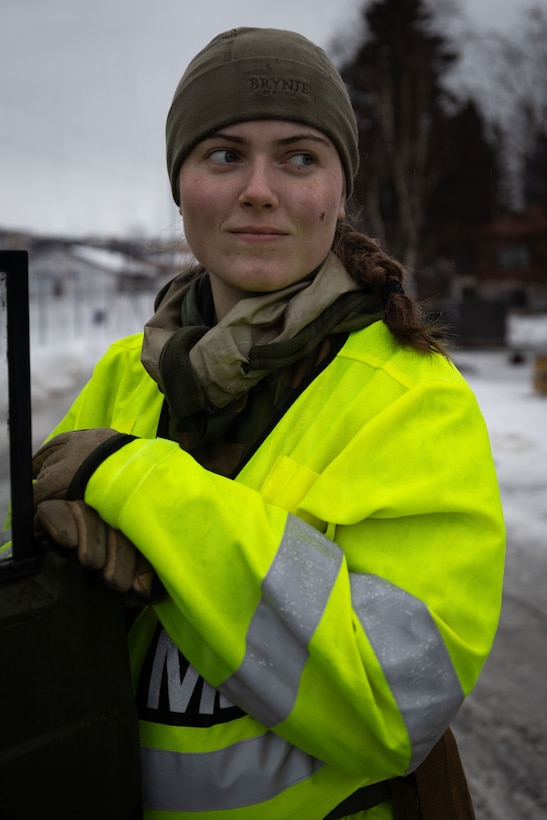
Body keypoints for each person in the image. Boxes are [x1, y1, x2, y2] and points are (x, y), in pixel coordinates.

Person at [31, 27, 505, 820]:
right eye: (223, 156)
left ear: (339, 192)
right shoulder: (124, 372)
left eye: (297, 157)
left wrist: (135, 482)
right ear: (179, 186)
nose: (258, 189)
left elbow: (391, 704)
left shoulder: (411, 398)